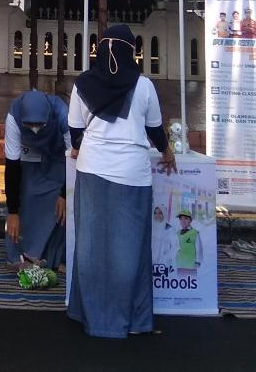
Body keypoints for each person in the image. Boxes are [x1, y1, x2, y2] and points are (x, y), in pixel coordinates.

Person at [67, 23, 177, 339]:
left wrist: (78, 147)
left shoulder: (83, 84)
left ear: (99, 49)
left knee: (90, 246)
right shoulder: (144, 86)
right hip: (133, 176)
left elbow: (75, 131)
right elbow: (156, 132)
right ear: (132, 52)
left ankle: (87, 314)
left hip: (92, 171)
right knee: (130, 249)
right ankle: (133, 319)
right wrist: (168, 152)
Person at [4, 89, 70, 272]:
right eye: (29, 124)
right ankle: (21, 255)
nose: (34, 129)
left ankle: (55, 256)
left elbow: (74, 159)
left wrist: (65, 194)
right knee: (27, 194)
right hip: (29, 157)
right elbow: (12, 166)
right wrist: (12, 211)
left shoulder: (62, 114)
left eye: (39, 124)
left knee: (62, 206)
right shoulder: (14, 116)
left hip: (59, 156)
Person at [174, 209, 203, 275]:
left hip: (191, 266)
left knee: (191, 282)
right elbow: (176, 247)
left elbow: (199, 248)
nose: (183, 221)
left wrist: (198, 261)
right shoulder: (177, 233)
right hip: (180, 264)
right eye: (181, 219)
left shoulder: (195, 233)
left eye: (186, 218)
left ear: (190, 220)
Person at [151, 205, 173, 270]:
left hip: (164, 265)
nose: (157, 215)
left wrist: (166, 260)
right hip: (150, 264)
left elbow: (174, 247)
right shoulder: (150, 228)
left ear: (164, 214)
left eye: (160, 213)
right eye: (155, 213)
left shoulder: (169, 229)